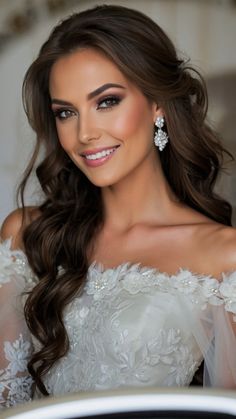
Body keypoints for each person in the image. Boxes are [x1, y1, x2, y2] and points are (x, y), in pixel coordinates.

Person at [0, 4, 236, 410]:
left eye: (106, 102)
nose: (85, 133)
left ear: (157, 104)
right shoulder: (26, 236)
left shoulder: (222, 255)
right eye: (66, 112)